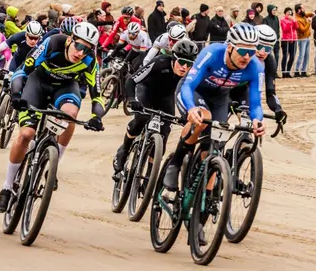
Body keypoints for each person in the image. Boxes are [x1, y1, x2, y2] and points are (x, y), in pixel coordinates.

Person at [0, 22, 105, 212]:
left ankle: (53, 165)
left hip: (65, 87)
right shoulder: (53, 43)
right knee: (26, 135)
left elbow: (97, 94)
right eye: (78, 46)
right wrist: (15, 95)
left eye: (86, 50)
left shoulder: (89, 61)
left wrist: (97, 116)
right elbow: (23, 70)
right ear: (70, 39)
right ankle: (7, 186)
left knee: (70, 114)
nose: (80, 53)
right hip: (38, 83)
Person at [164, 23, 266, 192]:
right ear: (230, 48)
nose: (247, 57)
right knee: (203, 119)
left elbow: (255, 103)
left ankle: (206, 193)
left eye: (252, 51)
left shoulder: (256, 67)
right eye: (242, 51)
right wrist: (191, 108)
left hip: (219, 99)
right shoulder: (212, 53)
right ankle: (175, 164)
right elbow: (188, 86)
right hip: (195, 91)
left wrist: (257, 120)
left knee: (216, 145)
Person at [112, 39, 199, 176]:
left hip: (165, 98)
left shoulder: (190, 74)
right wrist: (131, 99)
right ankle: (124, 149)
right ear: (173, 58)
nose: (184, 67)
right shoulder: (159, 63)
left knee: (164, 135)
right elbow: (132, 80)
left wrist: (186, 115)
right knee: (141, 118)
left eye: (189, 64)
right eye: (181, 62)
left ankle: (149, 176)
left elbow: (190, 95)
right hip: (146, 91)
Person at [230, 25, 288, 126]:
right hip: (223, 90)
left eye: (267, 49)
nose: (262, 52)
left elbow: (270, 93)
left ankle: (245, 140)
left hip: (242, 91)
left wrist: (278, 108)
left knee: (247, 123)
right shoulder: (239, 56)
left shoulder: (269, 61)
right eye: (259, 46)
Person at [294, 3, 313, 77]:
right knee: (301, 55)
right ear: (299, 10)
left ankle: (303, 70)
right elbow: (303, 30)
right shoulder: (297, 19)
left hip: (307, 38)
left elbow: (307, 14)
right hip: (302, 39)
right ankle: (297, 70)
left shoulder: (303, 15)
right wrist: (309, 23)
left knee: (306, 55)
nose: (304, 9)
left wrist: (312, 13)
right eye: (302, 8)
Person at [280, 7, 298, 78]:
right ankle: (284, 72)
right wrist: (289, 23)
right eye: (288, 12)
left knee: (292, 56)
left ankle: (288, 71)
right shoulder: (282, 20)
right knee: (285, 56)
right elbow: (285, 29)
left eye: (290, 12)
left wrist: (293, 21)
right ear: (285, 13)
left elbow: (296, 27)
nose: (289, 14)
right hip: (285, 40)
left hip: (293, 40)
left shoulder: (293, 20)